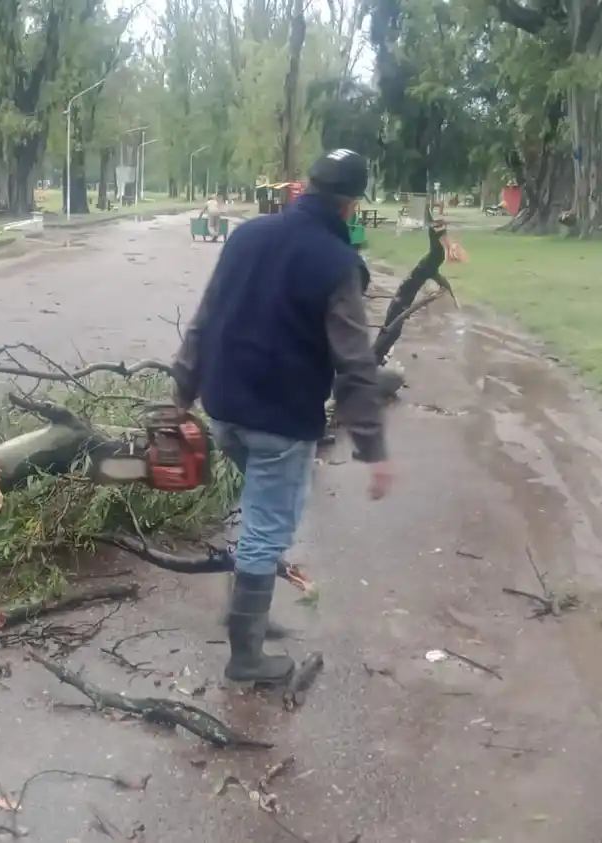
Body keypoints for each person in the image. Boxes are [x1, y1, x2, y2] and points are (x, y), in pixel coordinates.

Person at [173, 148, 394, 685]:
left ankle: (245, 614)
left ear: (304, 188)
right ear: (350, 204)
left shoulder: (247, 236)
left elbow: (206, 316)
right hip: (279, 420)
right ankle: (245, 657)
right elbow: (354, 361)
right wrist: (373, 447)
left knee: (263, 513)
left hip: (223, 411)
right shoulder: (337, 263)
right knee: (268, 525)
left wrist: (181, 392)